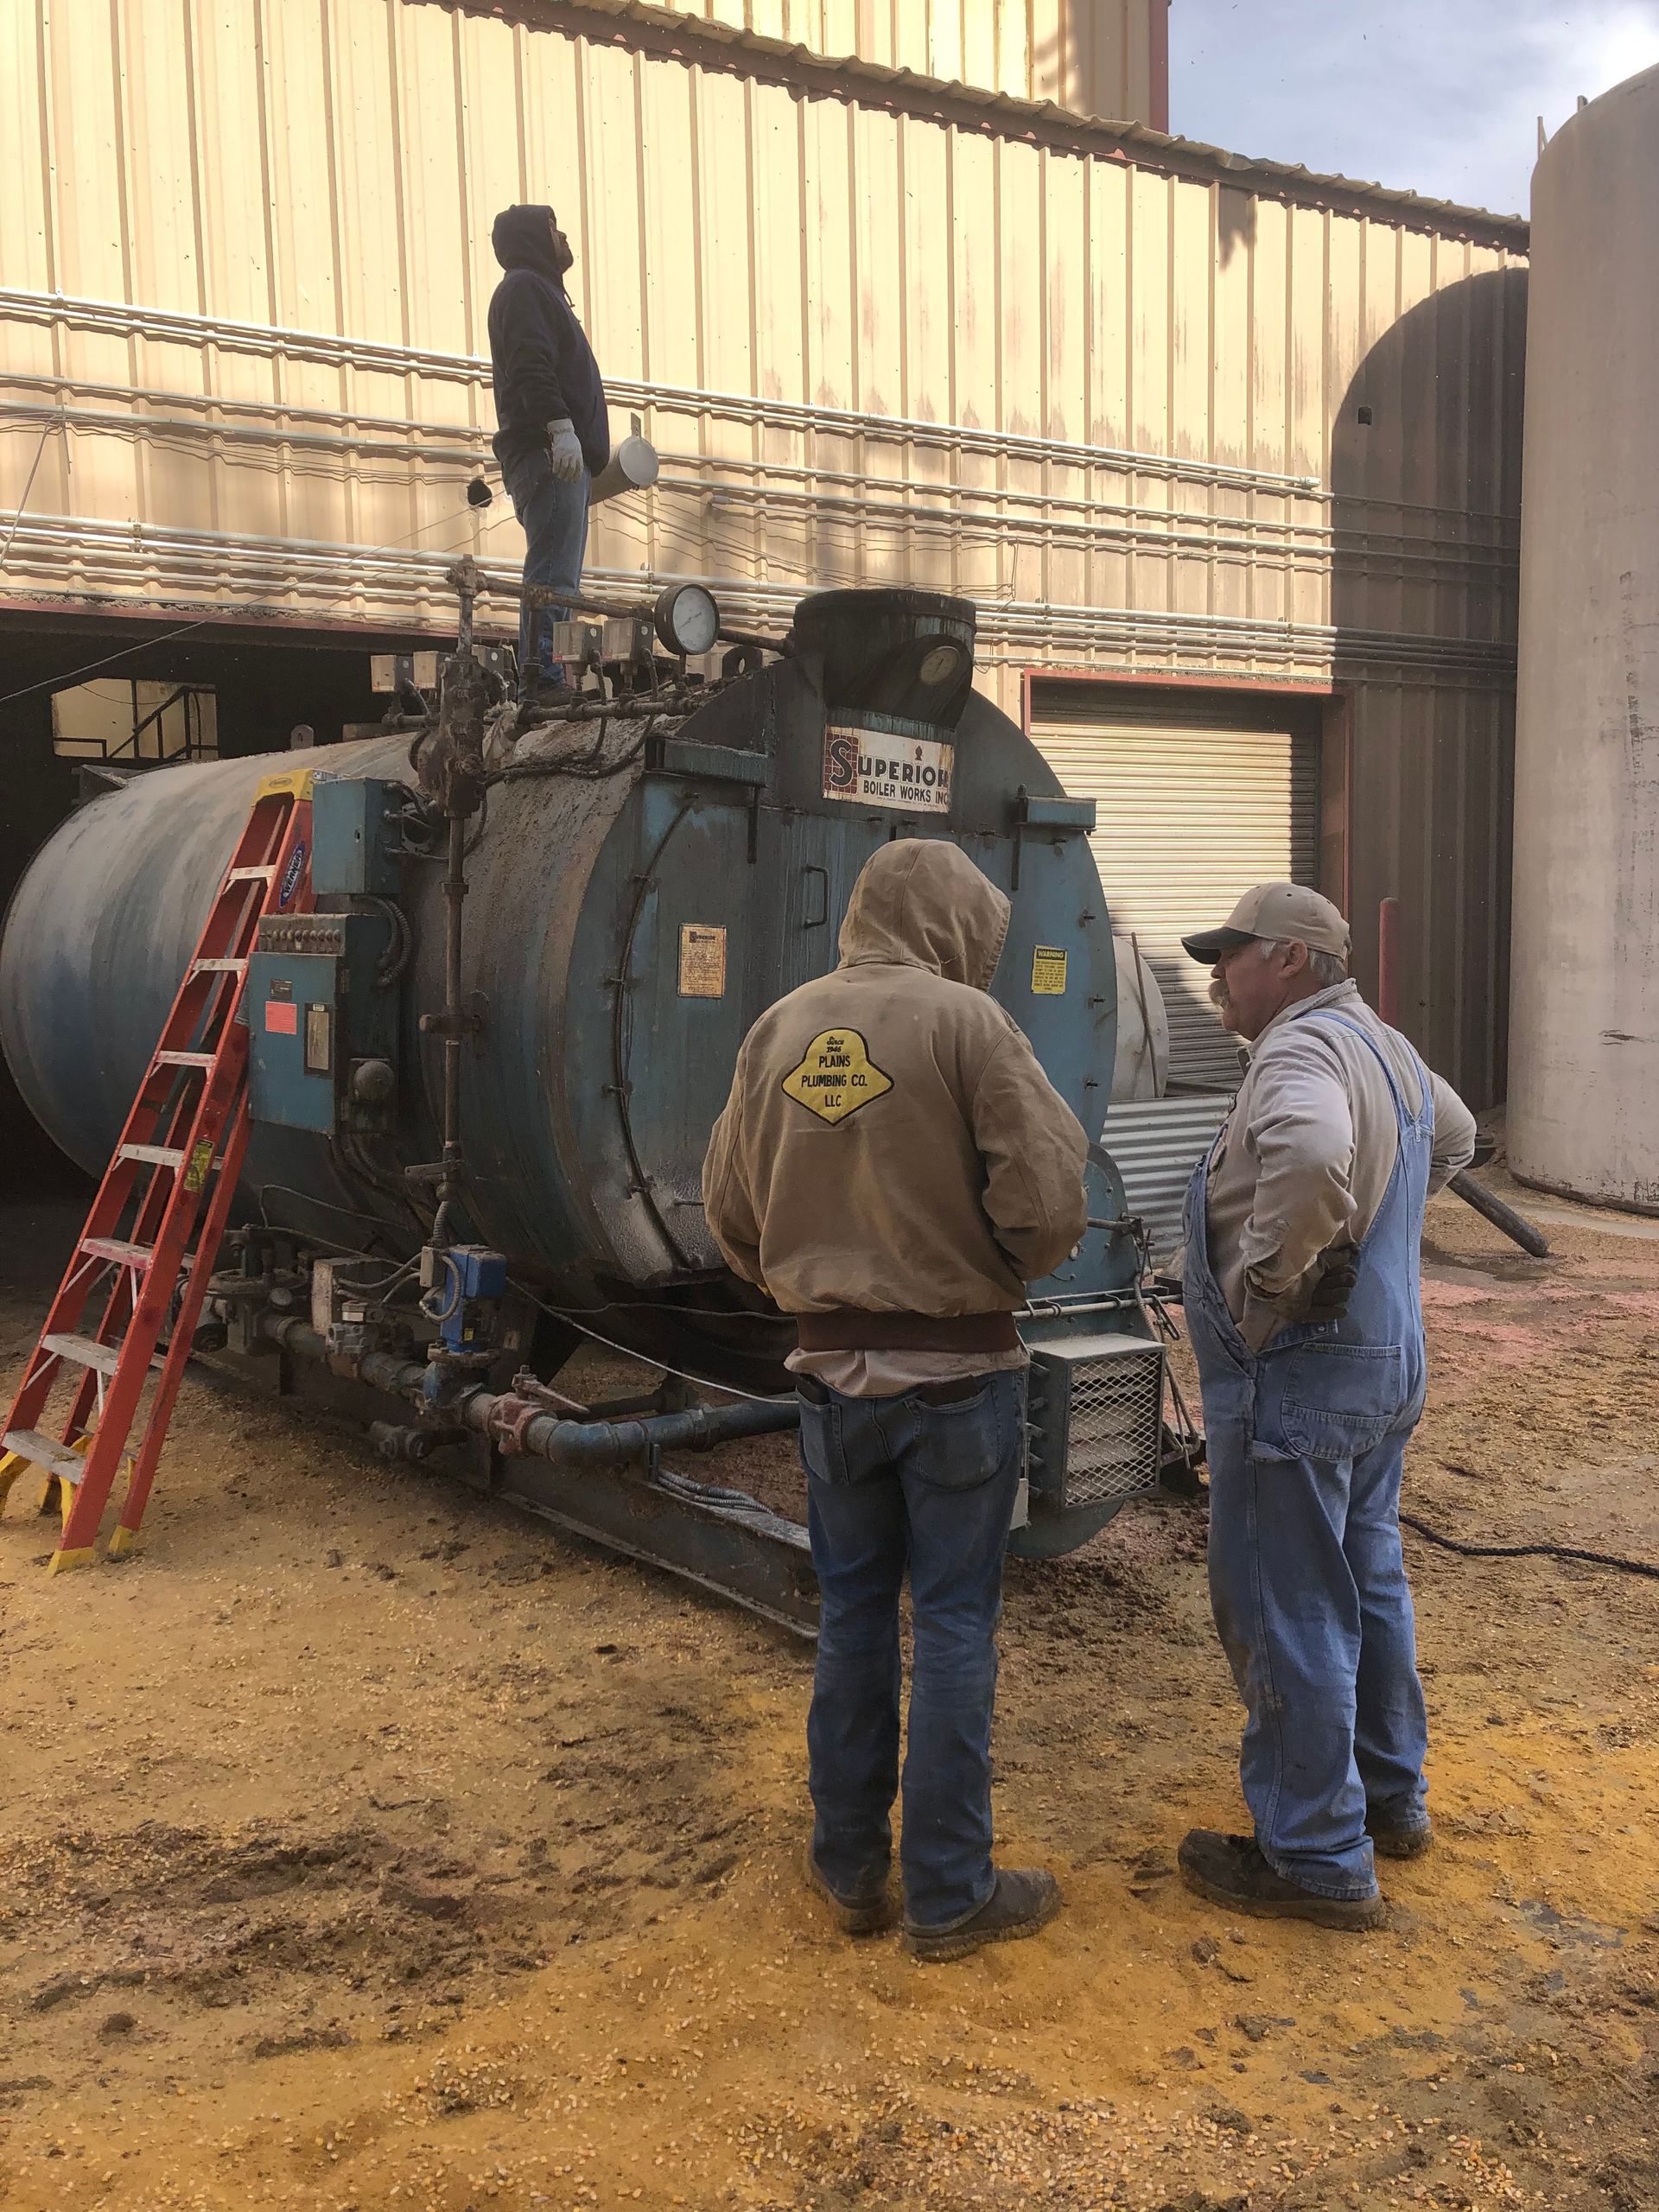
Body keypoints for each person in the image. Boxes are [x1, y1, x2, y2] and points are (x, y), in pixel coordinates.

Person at [702, 839, 1089, 1963]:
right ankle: (951, 1893)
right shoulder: (966, 1027)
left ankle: (852, 1873)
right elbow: (1050, 1196)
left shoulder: (779, 1027)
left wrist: (815, 1280)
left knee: (855, 1618)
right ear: (953, 923)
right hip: (958, 1379)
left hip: (828, 1383)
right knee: (957, 1623)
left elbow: (729, 1211)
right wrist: (998, 1264)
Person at [1175, 882, 1476, 1930]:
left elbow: (1306, 1159)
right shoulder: (1384, 1045)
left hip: (1301, 1376)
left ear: (1292, 960)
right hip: (1384, 1367)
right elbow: (1459, 1135)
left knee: (1287, 1597)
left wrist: (1271, 1283)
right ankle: (1393, 1799)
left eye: (1233, 955)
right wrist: (1376, 1224)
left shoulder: (1299, 1054)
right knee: (1368, 1576)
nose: (1217, 973)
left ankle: (1311, 1852)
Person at [486, 205, 610, 699]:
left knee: (558, 572)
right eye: (554, 229)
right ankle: (541, 676)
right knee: (553, 573)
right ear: (535, 239)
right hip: (546, 454)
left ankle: (545, 672)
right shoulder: (525, 289)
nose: (563, 238)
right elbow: (529, 363)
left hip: (554, 456)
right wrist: (560, 428)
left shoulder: (537, 292)